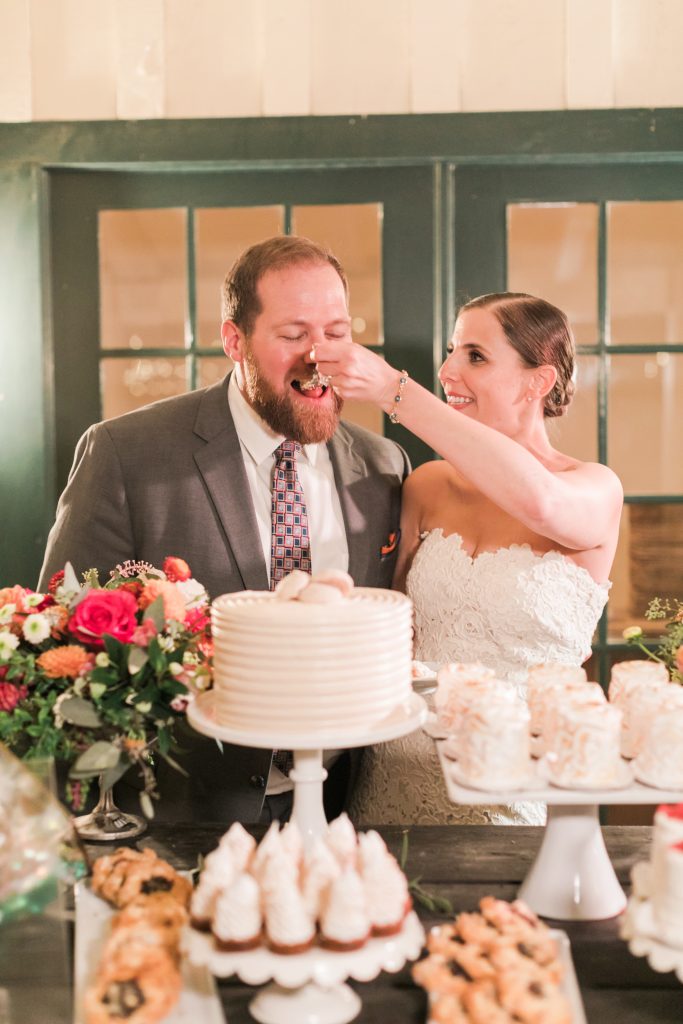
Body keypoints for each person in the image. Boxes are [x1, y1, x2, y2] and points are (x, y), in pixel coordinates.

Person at [38, 235, 410, 824]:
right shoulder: (125, 453)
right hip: (180, 815)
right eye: (293, 336)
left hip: (348, 813)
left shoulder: (384, 464)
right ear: (234, 340)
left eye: (337, 333)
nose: (320, 356)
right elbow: (61, 646)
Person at [311, 291, 623, 825]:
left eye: (475, 356)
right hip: (392, 770)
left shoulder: (592, 488)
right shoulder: (428, 485)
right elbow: (392, 625)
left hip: (511, 784)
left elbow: (538, 502)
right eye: (453, 350)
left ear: (538, 381)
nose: (448, 369)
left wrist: (393, 389)